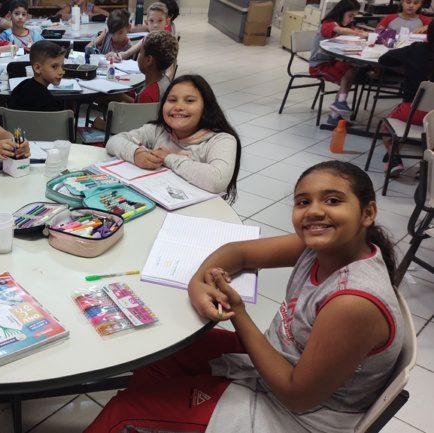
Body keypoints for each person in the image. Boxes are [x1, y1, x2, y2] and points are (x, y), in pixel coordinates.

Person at [86, 161, 403, 433]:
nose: (315, 211)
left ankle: (147, 415)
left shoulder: (352, 302)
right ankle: (162, 415)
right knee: (164, 351)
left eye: (333, 200)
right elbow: (236, 252)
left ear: (367, 213)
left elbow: (297, 396)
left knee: (123, 411)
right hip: (282, 363)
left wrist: (238, 312)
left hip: (297, 417)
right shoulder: (319, 247)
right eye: (303, 202)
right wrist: (199, 283)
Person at [106, 74, 241, 199]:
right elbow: (114, 141)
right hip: (158, 199)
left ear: (206, 108)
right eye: (172, 100)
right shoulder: (158, 130)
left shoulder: (221, 140)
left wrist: (168, 158)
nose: (178, 106)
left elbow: (217, 181)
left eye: (189, 101)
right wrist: (136, 154)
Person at [376, 19, 434, 176]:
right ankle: (428, 167)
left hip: (412, 112)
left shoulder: (416, 49)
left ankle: (394, 160)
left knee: (385, 128)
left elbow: (385, 59)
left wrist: (407, 66)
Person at [308, 0, 367, 126]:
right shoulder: (328, 23)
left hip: (331, 63)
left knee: (352, 68)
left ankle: (338, 107)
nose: (352, 19)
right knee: (349, 71)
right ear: (341, 13)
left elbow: (350, 31)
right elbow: (338, 30)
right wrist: (357, 33)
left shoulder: (347, 26)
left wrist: (361, 33)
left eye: (354, 17)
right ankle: (337, 109)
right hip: (318, 66)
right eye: (350, 16)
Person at [8, 40, 66, 111]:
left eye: (62, 66)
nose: (62, 72)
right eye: (54, 66)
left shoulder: (20, 88)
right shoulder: (49, 102)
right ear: (37, 68)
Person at [133, 30, 178, 103]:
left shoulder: (146, 94)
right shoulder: (165, 80)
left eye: (140, 52)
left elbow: (139, 111)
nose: (138, 55)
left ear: (148, 60)